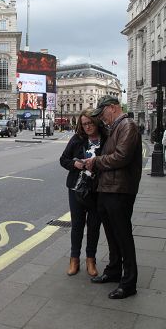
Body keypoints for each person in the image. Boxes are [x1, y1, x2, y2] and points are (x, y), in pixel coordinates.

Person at [84, 95, 142, 300]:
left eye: (103, 113)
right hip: (108, 188)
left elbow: (122, 157)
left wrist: (96, 161)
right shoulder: (115, 127)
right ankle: (114, 270)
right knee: (112, 235)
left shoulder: (128, 126)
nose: (102, 118)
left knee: (123, 236)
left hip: (120, 190)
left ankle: (129, 283)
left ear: (113, 107)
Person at [60, 109, 106, 277]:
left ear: (96, 123)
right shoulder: (77, 139)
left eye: (90, 123)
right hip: (76, 189)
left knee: (94, 226)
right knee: (77, 226)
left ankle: (90, 260)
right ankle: (74, 259)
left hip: (97, 190)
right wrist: (75, 164)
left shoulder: (106, 139)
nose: (87, 127)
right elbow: (63, 159)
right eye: (84, 124)